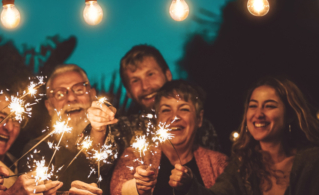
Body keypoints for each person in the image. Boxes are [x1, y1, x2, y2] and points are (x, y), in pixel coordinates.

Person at [170, 77, 319, 195]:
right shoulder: (241, 168)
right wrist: (188, 188)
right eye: (253, 106)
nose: (258, 114)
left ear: (290, 114)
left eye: (269, 106)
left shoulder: (316, 162)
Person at [111, 80, 228, 195]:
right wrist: (137, 190)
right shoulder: (136, 155)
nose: (174, 117)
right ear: (157, 119)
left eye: (184, 109)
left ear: (199, 119)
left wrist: (190, 189)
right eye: (166, 110)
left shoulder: (219, 163)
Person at [19, 64, 125, 195]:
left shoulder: (116, 139)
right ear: (49, 105)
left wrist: (99, 130)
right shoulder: (36, 149)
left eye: (78, 89)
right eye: (60, 93)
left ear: (92, 95)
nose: (71, 97)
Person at [88, 44, 220, 151]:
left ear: (168, 75)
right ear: (128, 91)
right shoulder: (124, 128)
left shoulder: (199, 126)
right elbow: (98, 158)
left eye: (150, 74)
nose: (145, 86)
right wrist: (98, 129)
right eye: (135, 80)